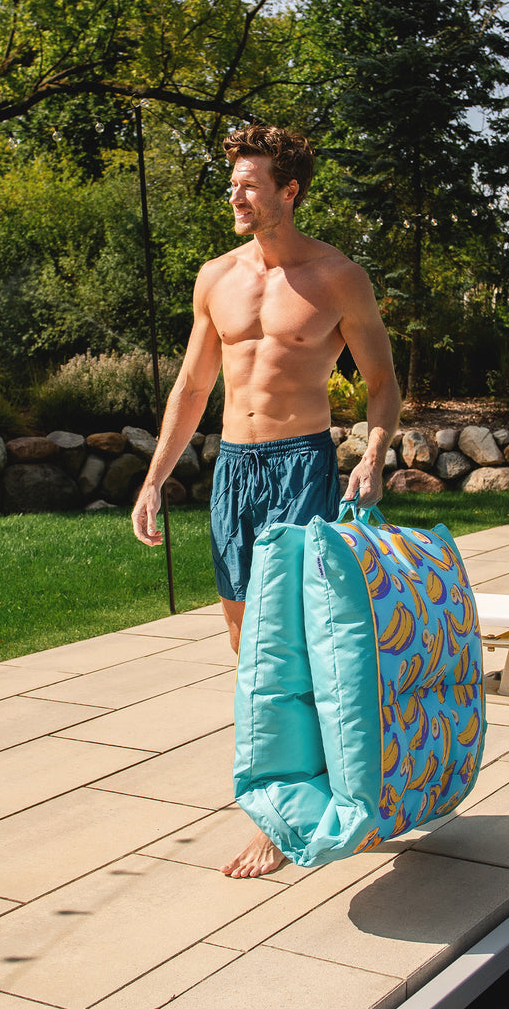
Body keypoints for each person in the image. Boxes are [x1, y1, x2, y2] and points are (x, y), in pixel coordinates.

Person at [132, 123, 401, 878]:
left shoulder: (337, 276)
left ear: (289, 190)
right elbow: (191, 387)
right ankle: (288, 796)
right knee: (248, 648)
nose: (235, 194)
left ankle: (307, 810)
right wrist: (155, 479)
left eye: (249, 183)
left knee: (308, 647)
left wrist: (373, 454)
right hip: (234, 471)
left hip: (302, 466)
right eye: (233, 183)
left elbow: (383, 385)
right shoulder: (215, 276)